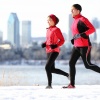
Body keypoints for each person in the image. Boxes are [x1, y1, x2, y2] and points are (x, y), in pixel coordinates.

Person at [63, 4, 100, 88]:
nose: (71, 11)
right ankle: (72, 84)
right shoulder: (74, 21)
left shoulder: (83, 19)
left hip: (85, 46)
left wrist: (82, 34)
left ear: (78, 11)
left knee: (87, 65)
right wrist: (74, 39)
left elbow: (92, 29)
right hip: (76, 46)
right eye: (71, 10)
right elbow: (77, 33)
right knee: (71, 63)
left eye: (73, 10)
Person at [41, 14, 69, 89]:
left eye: (49, 20)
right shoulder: (48, 30)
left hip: (54, 50)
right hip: (48, 51)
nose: (48, 22)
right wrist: (44, 43)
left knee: (47, 67)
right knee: (52, 69)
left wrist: (56, 45)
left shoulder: (57, 30)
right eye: (47, 20)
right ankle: (67, 75)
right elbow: (48, 40)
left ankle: (49, 85)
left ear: (54, 21)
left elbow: (62, 40)